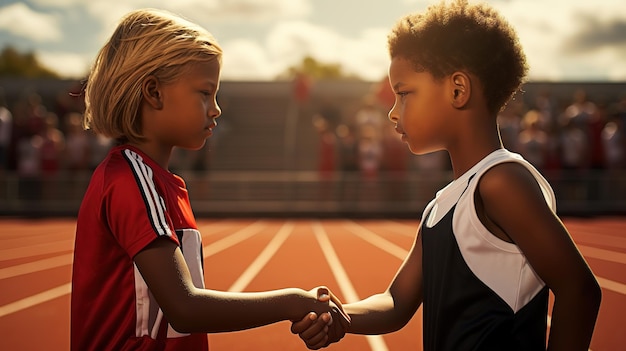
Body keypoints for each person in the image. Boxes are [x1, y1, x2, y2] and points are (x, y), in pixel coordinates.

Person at [292, 1, 601, 350]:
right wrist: (341, 316)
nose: (392, 113)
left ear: (457, 90)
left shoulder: (501, 181)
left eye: (404, 93)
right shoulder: (441, 204)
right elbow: (396, 302)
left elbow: (580, 290)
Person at [70, 9, 348, 351]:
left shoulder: (157, 181)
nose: (215, 108)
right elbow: (184, 308)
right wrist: (292, 302)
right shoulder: (131, 179)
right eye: (205, 93)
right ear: (154, 93)